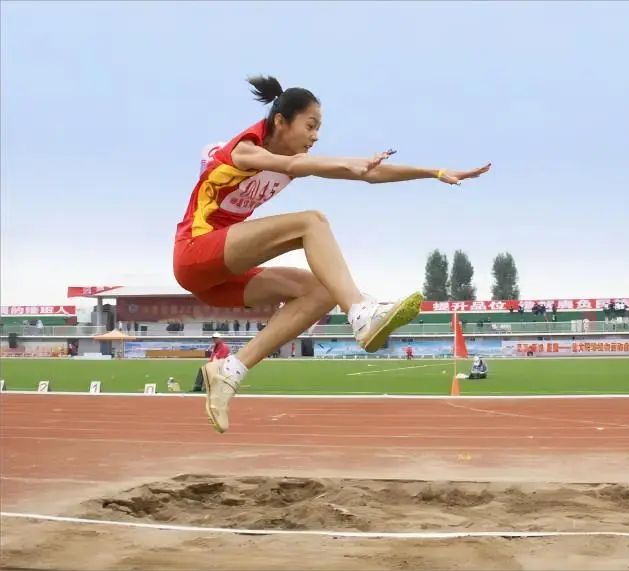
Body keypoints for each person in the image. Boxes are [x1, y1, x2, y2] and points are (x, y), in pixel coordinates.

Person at [174, 75, 491, 433]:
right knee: (312, 222)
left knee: (322, 291)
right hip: (194, 253)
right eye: (310, 126)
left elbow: (370, 175)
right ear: (280, 121)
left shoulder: (290, 160)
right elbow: (299, 167)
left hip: (220, 275)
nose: (316, 136)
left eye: (319, 128)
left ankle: (230, 370)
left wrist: (433, 172)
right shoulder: (245, 150)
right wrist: (348, 165)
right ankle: (360, 311)